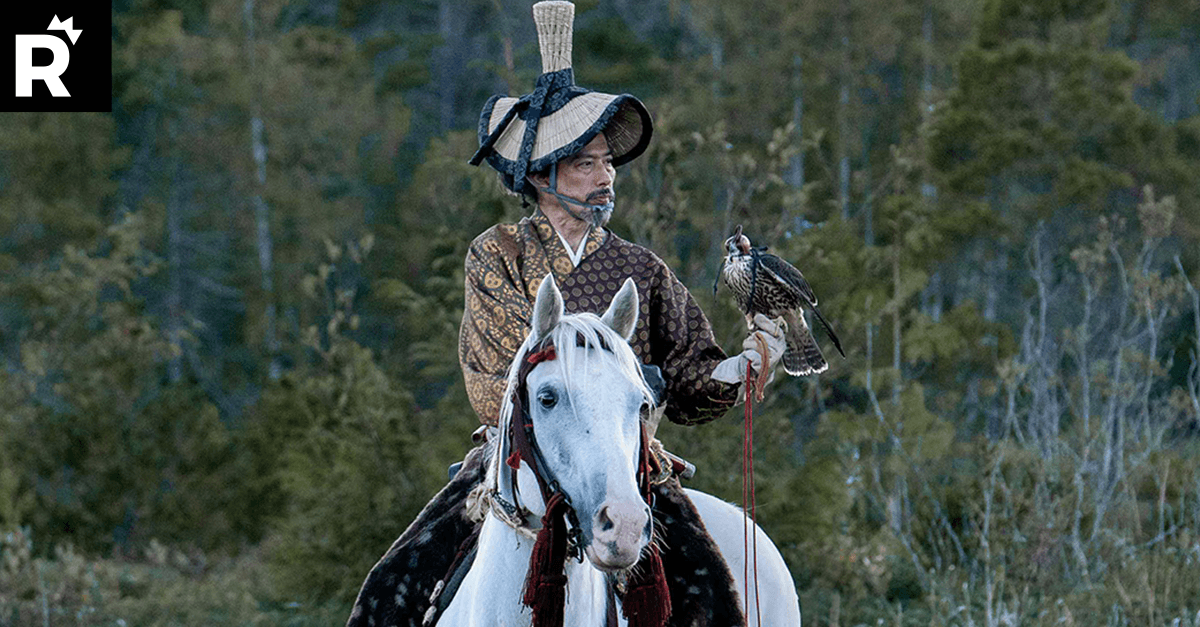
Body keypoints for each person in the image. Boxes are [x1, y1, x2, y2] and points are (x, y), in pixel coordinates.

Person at [347, 3, 784, 626]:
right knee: (391, 590)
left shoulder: (642, 268)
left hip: (632, 467)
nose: (606, 177)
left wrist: (742, 366)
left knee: (713, 599)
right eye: (587, 164)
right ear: (544, 175)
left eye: (608, 162)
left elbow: (690, 377)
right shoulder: (496, 254)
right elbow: (495, 373)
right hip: (518, 461)